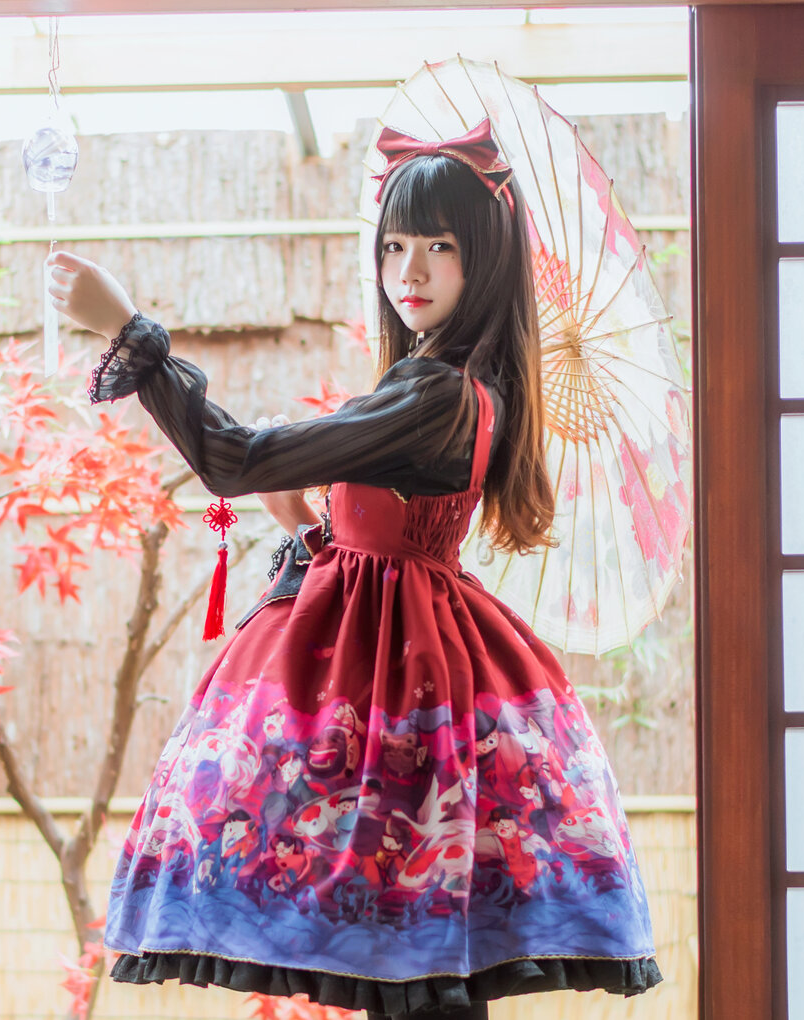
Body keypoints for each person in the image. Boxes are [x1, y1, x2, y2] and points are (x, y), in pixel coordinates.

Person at [45, 120, 661, 1019]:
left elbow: (232, 459)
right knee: (415, 954)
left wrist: (130, 332)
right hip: (412, 660)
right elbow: (373, 518)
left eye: (440, 247)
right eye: (395, 246)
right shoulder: (455, 384)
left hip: (392, 680)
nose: (410, 270)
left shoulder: (438, 391)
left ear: (483, 260)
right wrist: (310, 520)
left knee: (410, 958)